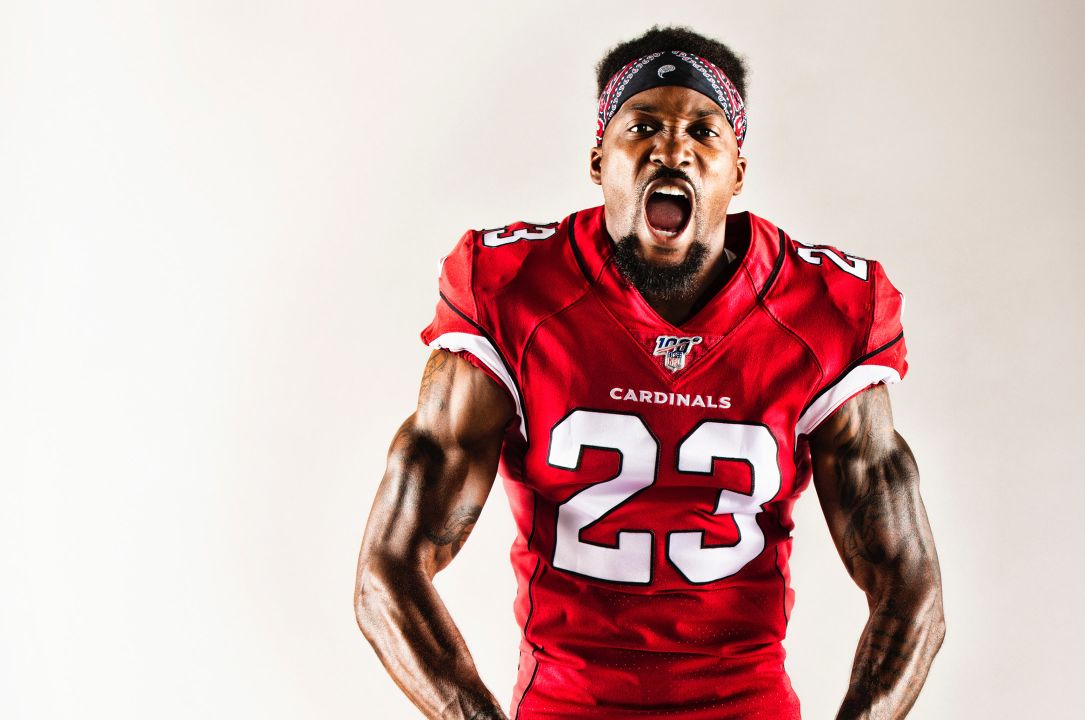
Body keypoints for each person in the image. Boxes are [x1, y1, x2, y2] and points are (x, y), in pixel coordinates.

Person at [354, 25, 945, 720]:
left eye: (705, 131)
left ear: (737, 172)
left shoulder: (818, 311)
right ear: (601, 160)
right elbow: (388, 568)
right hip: (567, 705)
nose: (674, 147)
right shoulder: (514, 291)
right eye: (644, 125)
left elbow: (909, 584)